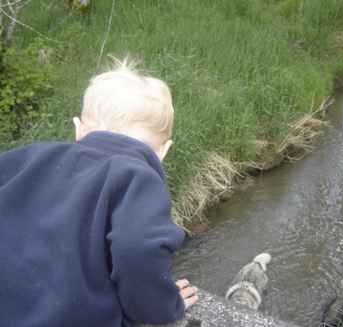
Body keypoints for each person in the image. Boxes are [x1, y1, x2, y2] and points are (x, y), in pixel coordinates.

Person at [0, 57, 198, 326]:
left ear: (79, 129)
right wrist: (163, 306)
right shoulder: (139, 180)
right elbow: (137, 250)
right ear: (163, 149)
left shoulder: (31, 155)